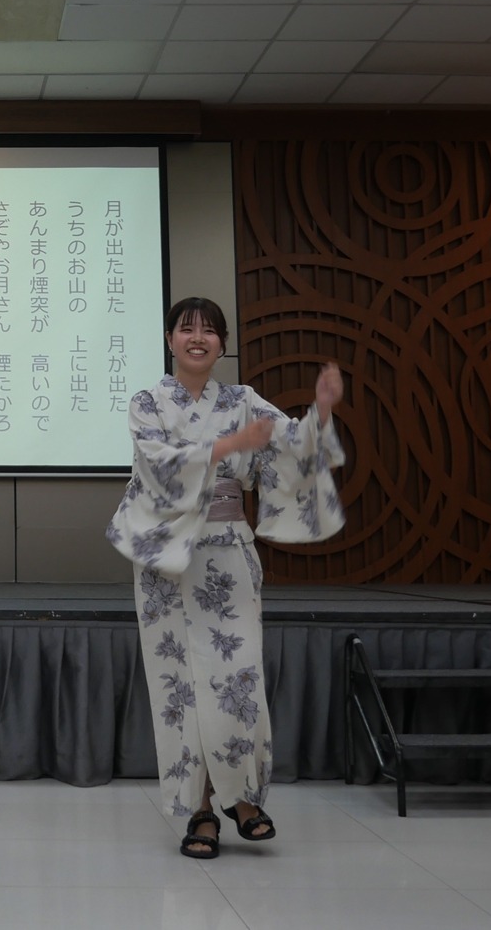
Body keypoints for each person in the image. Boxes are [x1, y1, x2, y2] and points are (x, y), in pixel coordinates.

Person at [106, 297, 345, 859]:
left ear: (222, 344)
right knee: (180, 685)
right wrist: (230, 446)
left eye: (210, 331)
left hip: (228, 555)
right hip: (168, 562)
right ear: (169, 339)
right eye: (186, 328)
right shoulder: (147, 402)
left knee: (237, 678)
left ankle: (241, 796)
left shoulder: (242, 400)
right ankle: (201, 810)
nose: (198, 338)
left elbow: (290, 446)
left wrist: (322, 411)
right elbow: (157, 465)